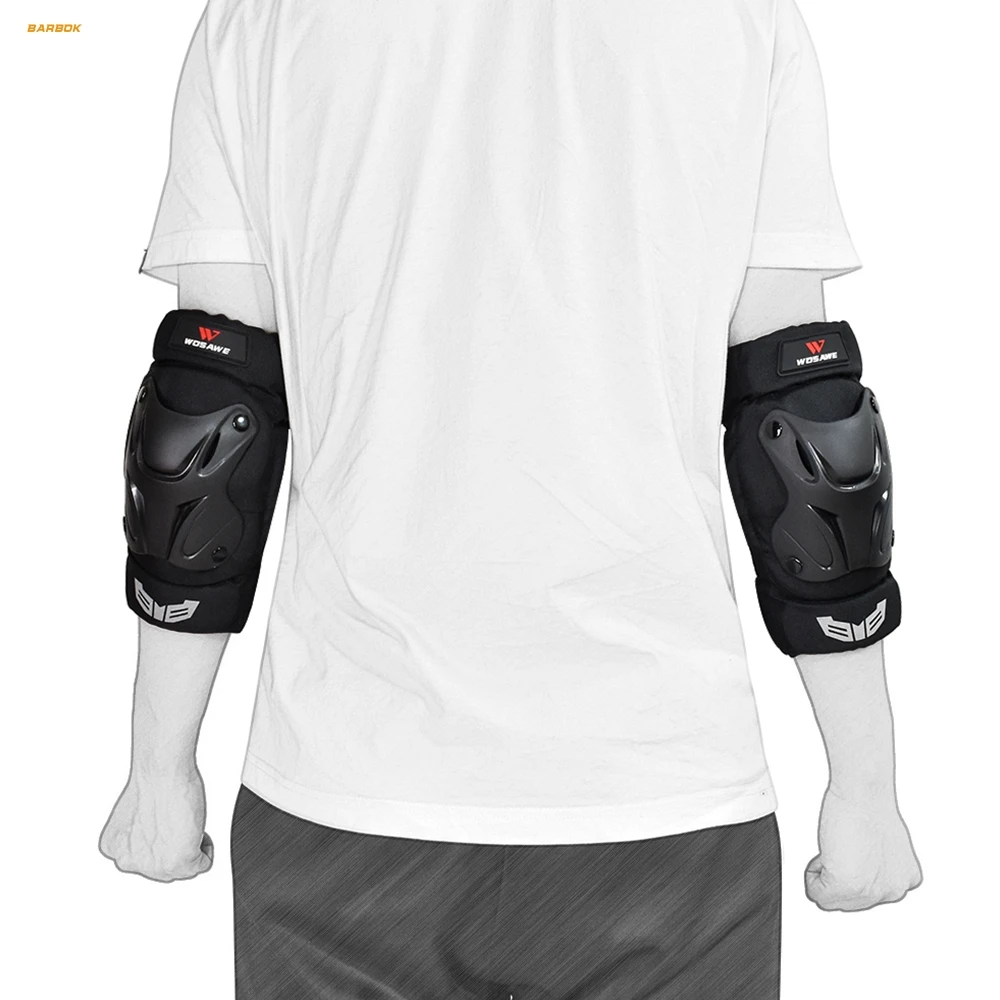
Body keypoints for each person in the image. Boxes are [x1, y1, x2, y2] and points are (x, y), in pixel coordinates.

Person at [100, 1, 922, 997]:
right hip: (663, 797)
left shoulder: (261, 15)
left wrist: (159, 769)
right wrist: (865, 786)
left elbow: (206, 431)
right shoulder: (741, 16)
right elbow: (803, 435)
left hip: (348, 801)